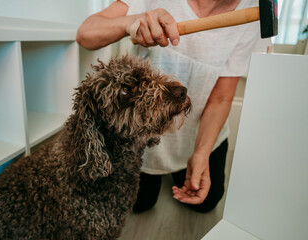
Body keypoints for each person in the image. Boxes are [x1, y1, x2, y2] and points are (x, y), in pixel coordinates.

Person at [76, 0, 271, 213]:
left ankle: (187, 162)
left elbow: (221, 98)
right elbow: (85, 34)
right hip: (144, 133)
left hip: (199, 132)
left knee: (207, 202)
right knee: (139, 204)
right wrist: (132, 22)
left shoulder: (255, 11)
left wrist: (201, 153)